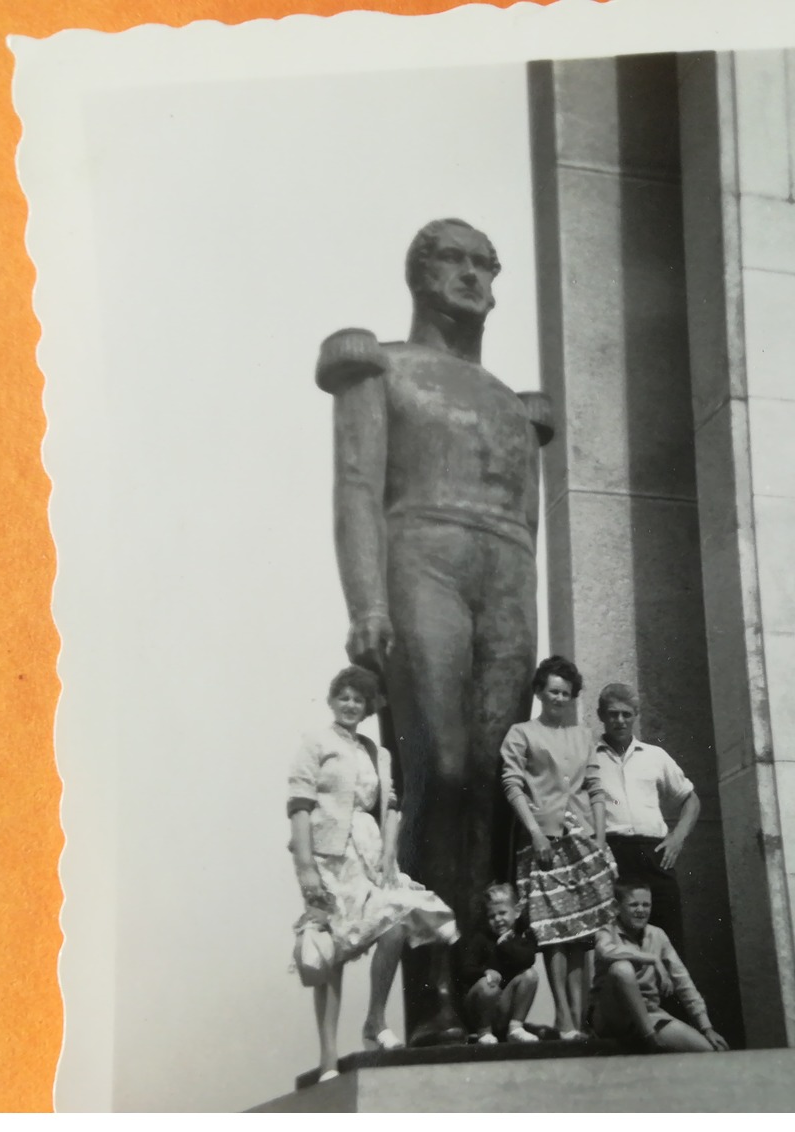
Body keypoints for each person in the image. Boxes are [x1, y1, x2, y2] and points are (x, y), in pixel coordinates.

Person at [317, 218, 554, 1043]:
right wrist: (367, 605)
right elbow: (355, 489)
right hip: (423, 557)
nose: (471, 275)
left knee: (492, 778)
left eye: (484, 263)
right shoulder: (378, 363)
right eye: (451, 259)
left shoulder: (515, 406)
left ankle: (481, 988)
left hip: (506, 577)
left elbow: (530, 526)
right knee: (441, 769)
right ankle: (428, 993)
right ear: (418, 275)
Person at [287, 665, 458, 1080]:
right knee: (332, 955)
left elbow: (392, 803)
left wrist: (389, 853)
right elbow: (299, 805)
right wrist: (307, 869)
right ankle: (328, 1058)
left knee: (395, 924)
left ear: (366, 707)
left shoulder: (376, 751)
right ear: (331, 701)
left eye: (358, 699)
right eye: (343, 697)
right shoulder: (316, 742)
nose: (350, 705)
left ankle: (375, 1020)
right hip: (329, 858)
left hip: (371, 853)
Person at [501, 655, 617, 1041]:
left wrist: (599, 840)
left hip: (583, 842)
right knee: (554, 933)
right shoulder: (522, 733)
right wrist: (535, 833)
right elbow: (513, 785)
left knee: (582, 934)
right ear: (539, 691)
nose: (559, 698)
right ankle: (564, 1019)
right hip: (545, 841)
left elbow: (596, 789)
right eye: (553, 691)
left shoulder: (582, 735)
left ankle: (579, 1021)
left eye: (566, 693)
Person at [591, 683, 700, 955]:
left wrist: (677, 838)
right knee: (620, 944)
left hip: (656, 855)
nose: (620, 720)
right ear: (600, 715)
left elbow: (691, 799)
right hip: (614, 856)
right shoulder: (588, 758)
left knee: (668, 937)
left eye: (626, 714)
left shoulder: (655, 756)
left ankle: (671, 998)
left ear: (636, 714)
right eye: (613, 714)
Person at [590, 881, 729, 1054]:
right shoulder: (606, 932)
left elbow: (683, 981)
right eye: (633, 905)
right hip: (612, 1016)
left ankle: (651, 1036)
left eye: (646, 905)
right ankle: (651, 1041)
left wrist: (706, 1027)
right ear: (617, 907)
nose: (641, 910)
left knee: (711, 1050)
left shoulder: (657, 935)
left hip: (650, 1014)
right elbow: (605, 951)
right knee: (622, 969)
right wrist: (652, 959)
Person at [452, 883, 541, 1045]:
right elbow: (465, 970)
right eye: (492, 916)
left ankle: (515, 1028)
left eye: (502, 913)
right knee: (488, 986)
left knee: (530, 975)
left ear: (517, 912)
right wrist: (485, 972)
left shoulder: (524, 936)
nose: (498, 919)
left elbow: (528, 960)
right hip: (482, 1005)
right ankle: (483, 1032)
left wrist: (505, 944)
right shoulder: (481, 939)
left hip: (504, 1004)